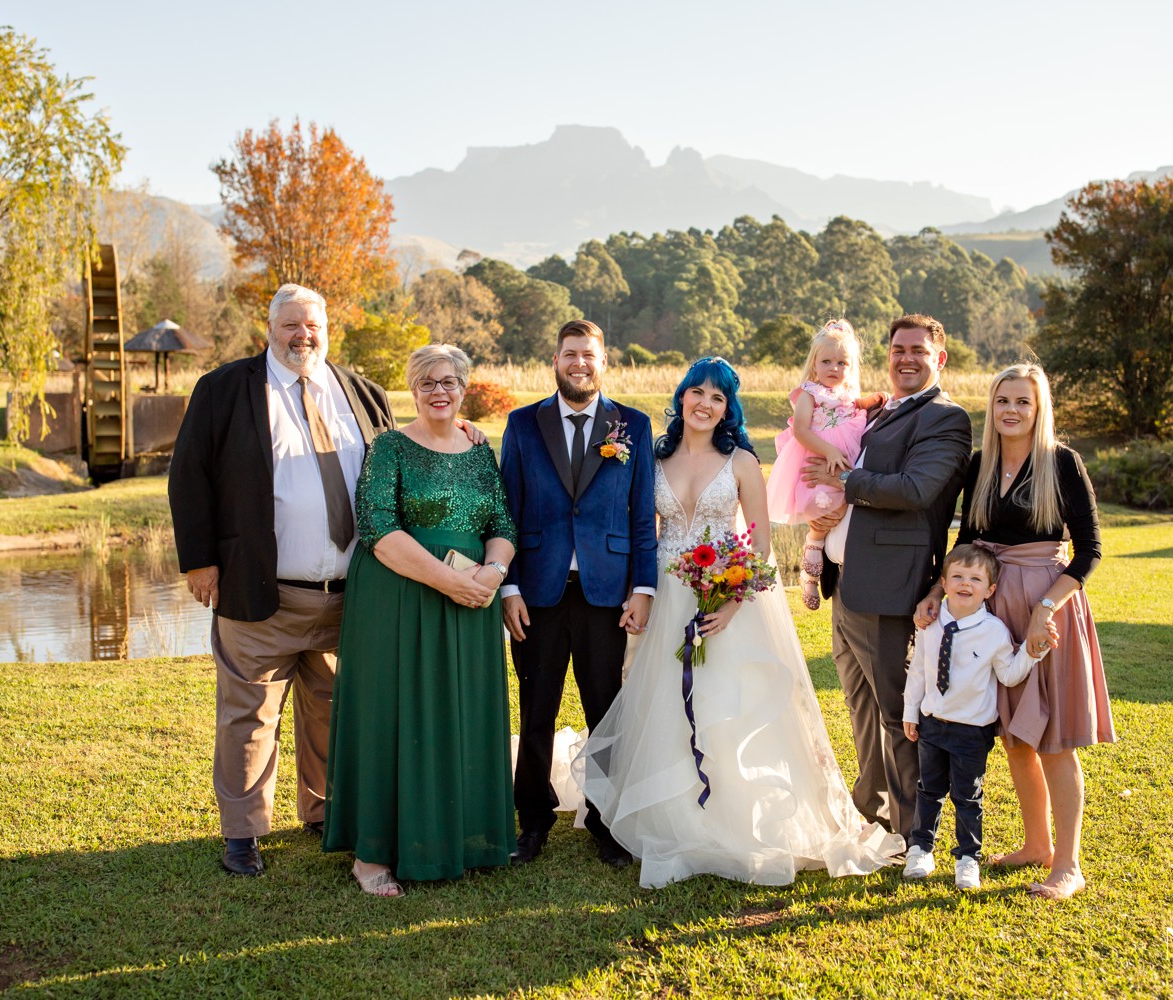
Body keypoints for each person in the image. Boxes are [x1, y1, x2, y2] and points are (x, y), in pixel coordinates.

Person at [580, 356, 906, 888]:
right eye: (697, 393)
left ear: (728, 409)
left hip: (726, 600)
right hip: (666, 596)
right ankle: (668, 813)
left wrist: (732, 604)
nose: (705, 404)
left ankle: (728, 816)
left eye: (718, 397)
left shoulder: (741, 463)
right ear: (681, 397)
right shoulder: (653, 459)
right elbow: (643, 528)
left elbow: (758, 545)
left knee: (725, 704)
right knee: (661, 699)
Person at [168, 283, 395, 878]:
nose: (303, 336)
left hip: (351, 595)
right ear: (269, 328)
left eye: (313, 326)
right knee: (249, 714)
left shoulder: (362, 395)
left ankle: (320, 813)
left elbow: (402, 468)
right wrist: (199, 561)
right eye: (291, 325)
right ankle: (243, 835)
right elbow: (188, 476)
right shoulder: (225, 389)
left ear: (328, 329)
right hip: (260, 591)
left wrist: (466, 435)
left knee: (332, 707)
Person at [322, 344, 517, 896]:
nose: (440, 391)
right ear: (413, 388)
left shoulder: (481, 451)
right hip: (400, 598)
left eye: (450, 381)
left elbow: (503, 519)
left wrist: (493, 572)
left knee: (461, 711)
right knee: (394, 715)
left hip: (472, 601)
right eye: (428, 382)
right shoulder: (389, 448)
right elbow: (378, 528)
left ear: (464, 389)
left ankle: (460, 836)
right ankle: (374, 855)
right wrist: (451, 580)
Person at [915, 362, 1114, 901]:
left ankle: (1068, 865)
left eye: (1022, 401)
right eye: (1002, 400)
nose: (1011, 410)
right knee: (1013, 735)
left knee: (1053, 739)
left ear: (1038, 407)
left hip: (1045, 603)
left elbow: (1090, 550)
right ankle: (1034, 844)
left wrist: (1046, 607)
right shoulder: (980, 465)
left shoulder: (1061, 463)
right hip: (993, 604)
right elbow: (968, 545)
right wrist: (937, 592)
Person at [802, 313, 972, 848]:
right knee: (860, 708)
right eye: (898, 348)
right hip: (846, 582)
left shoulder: (946, 418)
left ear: (939, 359)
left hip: (891, 586)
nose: (906, 358)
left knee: (898, 713)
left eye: (918, 350)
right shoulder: (879, 411)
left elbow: (916, 488)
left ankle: (909, 829)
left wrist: (844, 481)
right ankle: (867, 811)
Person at [500, 319, 657, 868]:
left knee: (605, 712)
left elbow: (643, 518)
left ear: (604, 361)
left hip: (606, 594)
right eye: (570, 354)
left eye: (588, 355)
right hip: (537, 593)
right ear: (556, 360)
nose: (579, 363)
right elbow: (507, 514)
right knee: (536, 709)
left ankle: (605, 821)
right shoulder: (522, 425)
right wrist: (510, 587)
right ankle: (532, 820)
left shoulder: (632, 425)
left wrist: (643, 588)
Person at [901, 544, 1049, 890]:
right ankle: (920, 848)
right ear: (945, 581)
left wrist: (1030, 653)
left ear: (990, 589)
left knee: (968, 797)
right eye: (958, 576)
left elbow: (1010, 675)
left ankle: (968, 858)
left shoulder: (995, 631)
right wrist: (911, 711)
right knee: (928, 790)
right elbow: (919, 673)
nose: (965, 584)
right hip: (933, 723)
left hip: (972, 731)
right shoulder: (931, 624)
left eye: (975, 579)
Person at [764, 319, 887, 610]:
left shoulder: (849, 395)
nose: (834, 368)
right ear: (814, 365)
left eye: (842, 363)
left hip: (841, 468)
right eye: (827, 361)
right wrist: (830, 451)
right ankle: (811, 558)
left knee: (843, 503)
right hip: (818, 458)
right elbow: (801, 430)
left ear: (851, 366)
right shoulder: (809, 393)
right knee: (820, 510)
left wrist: (879, 397)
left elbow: (870, 401)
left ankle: (814, 560)